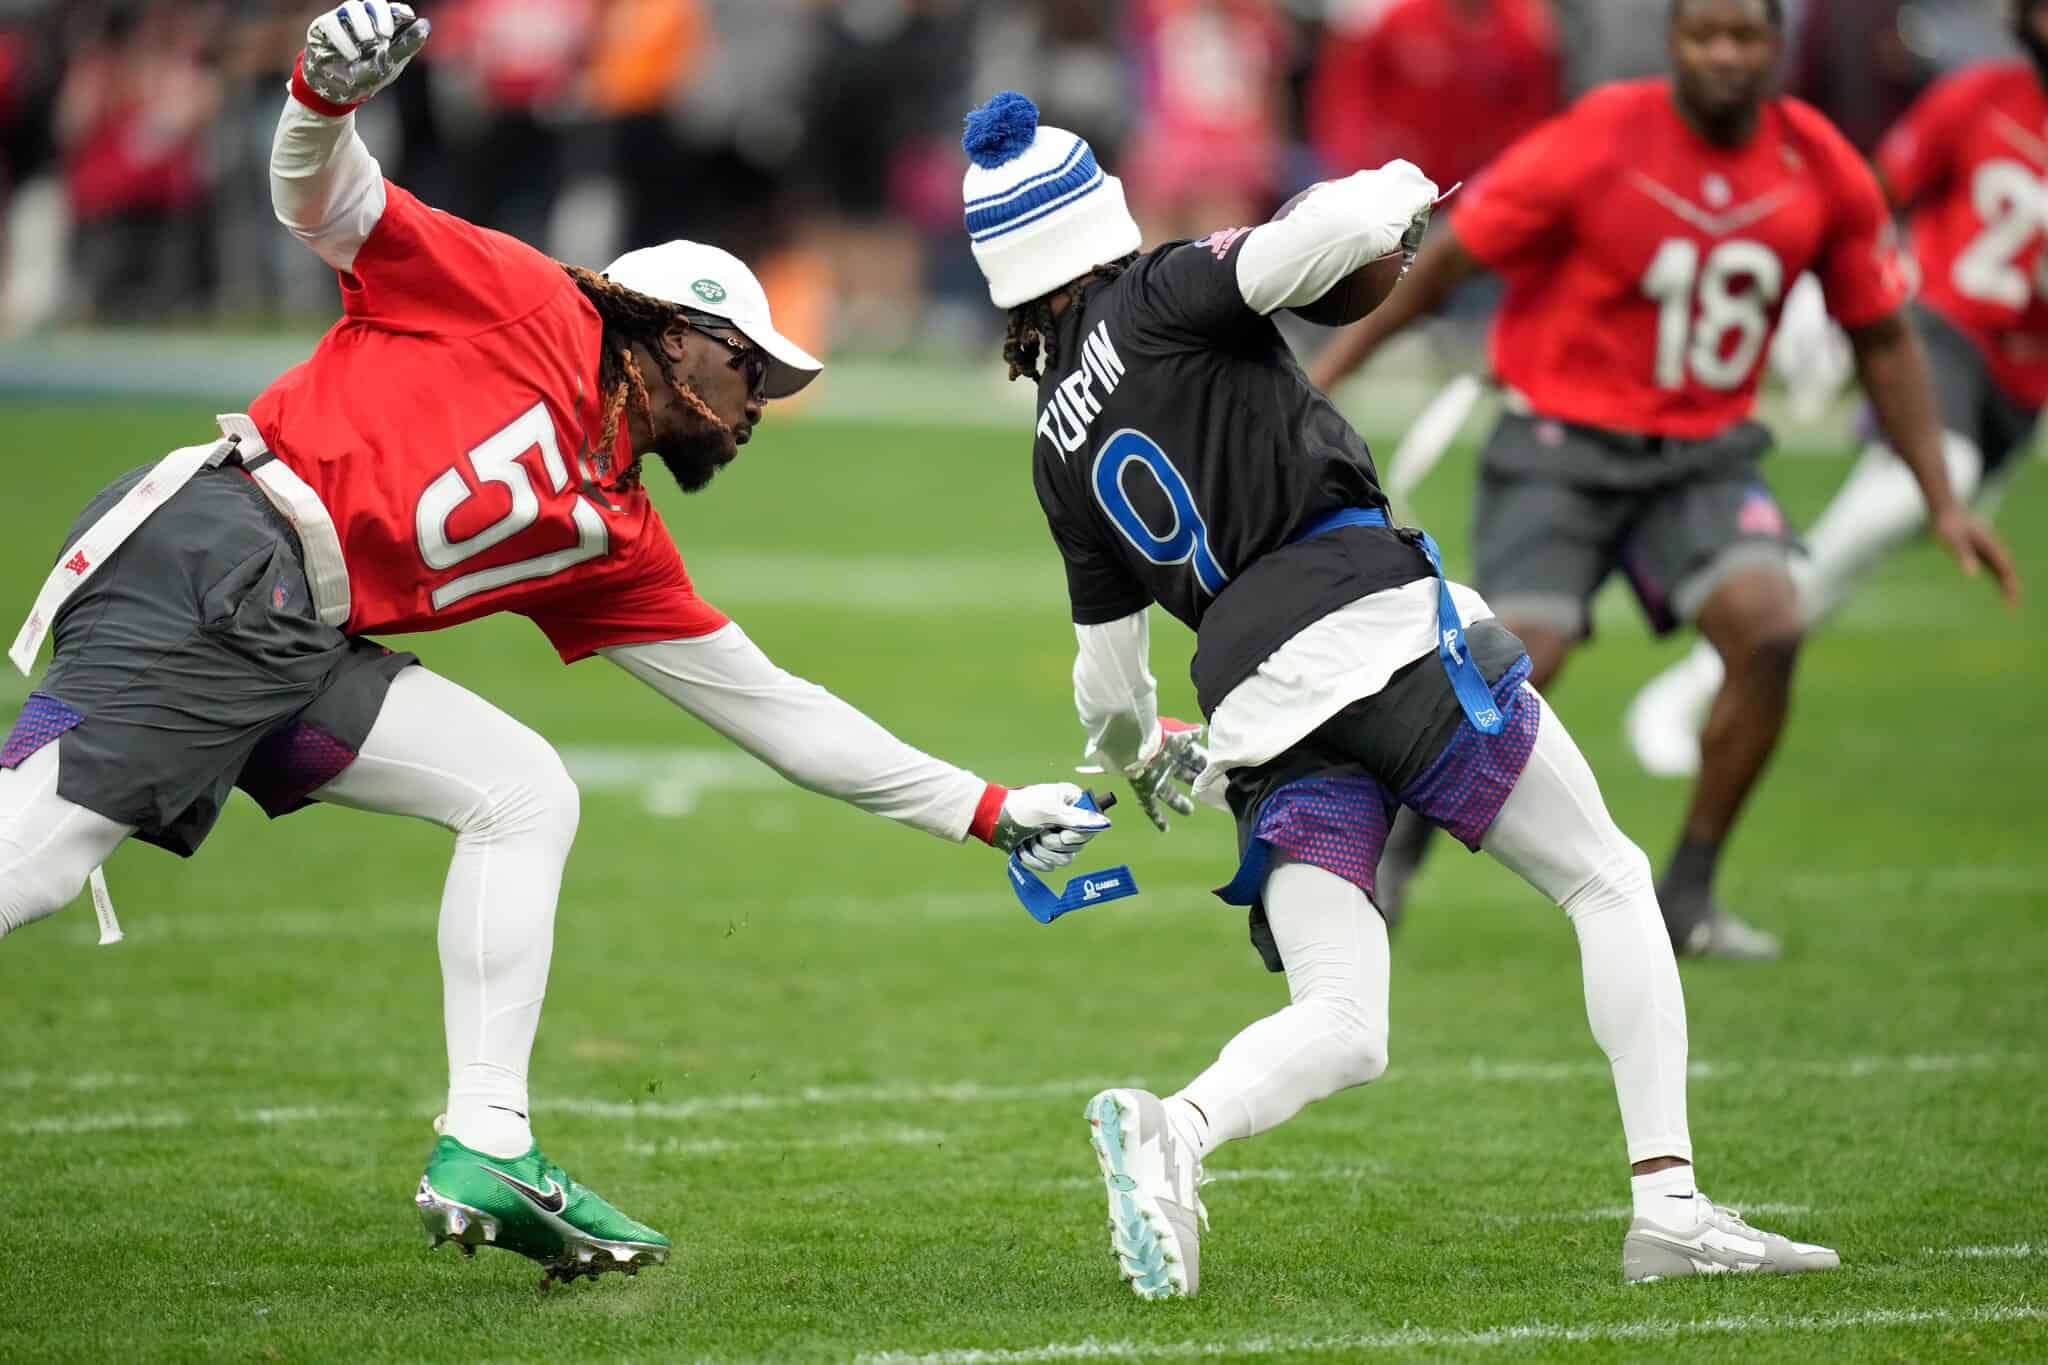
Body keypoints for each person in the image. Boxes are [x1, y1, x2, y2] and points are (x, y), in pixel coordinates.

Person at [0, 2, 1110, 1284]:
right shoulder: (528, 300)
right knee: (32, 857)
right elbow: (326, 202)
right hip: (212, 564)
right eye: (754, 376)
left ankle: (487, 1138)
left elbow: (776, 711)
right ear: (678, 335)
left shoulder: (616, 532)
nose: (758, 414)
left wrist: (978, 811)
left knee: (520, 791)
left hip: (290, 630)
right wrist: (315, 93)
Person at [957, 87, 1841, 1298]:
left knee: (1347, 1021)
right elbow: (1314, 241)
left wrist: (1151, 751)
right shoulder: (1160, 286)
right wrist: (1403, 194)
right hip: (1374, 632)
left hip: (1258, 712)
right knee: (1605, 877)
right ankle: (1669, 1207)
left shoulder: (1052, 453)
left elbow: (1106, 689)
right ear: (1094, 214)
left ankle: (1180, 1129)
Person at [1308, 0, 2017, 960]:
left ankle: (1688, 893)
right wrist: (1322, 384)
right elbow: (1447, 265)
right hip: (1561, 441)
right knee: (1522, 656)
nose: (1725, 54)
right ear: (1674, 43)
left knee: (1770, 627)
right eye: (1704, 34)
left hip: (1703, 455)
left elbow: (1883, 336)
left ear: (1776, 46)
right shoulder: (1599, 137)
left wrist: (1941, 496)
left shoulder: (1819, 163)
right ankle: (1398, 852)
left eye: (1745, 35)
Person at [1627, 0, 2043, 776]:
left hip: (2023, 387)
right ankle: (1691, 687)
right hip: (1942, 335)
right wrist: (1822, 302)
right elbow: (1869, 195)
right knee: (1924, 487)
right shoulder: (1979, 97)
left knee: (1858, 555)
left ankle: (1720, 675)